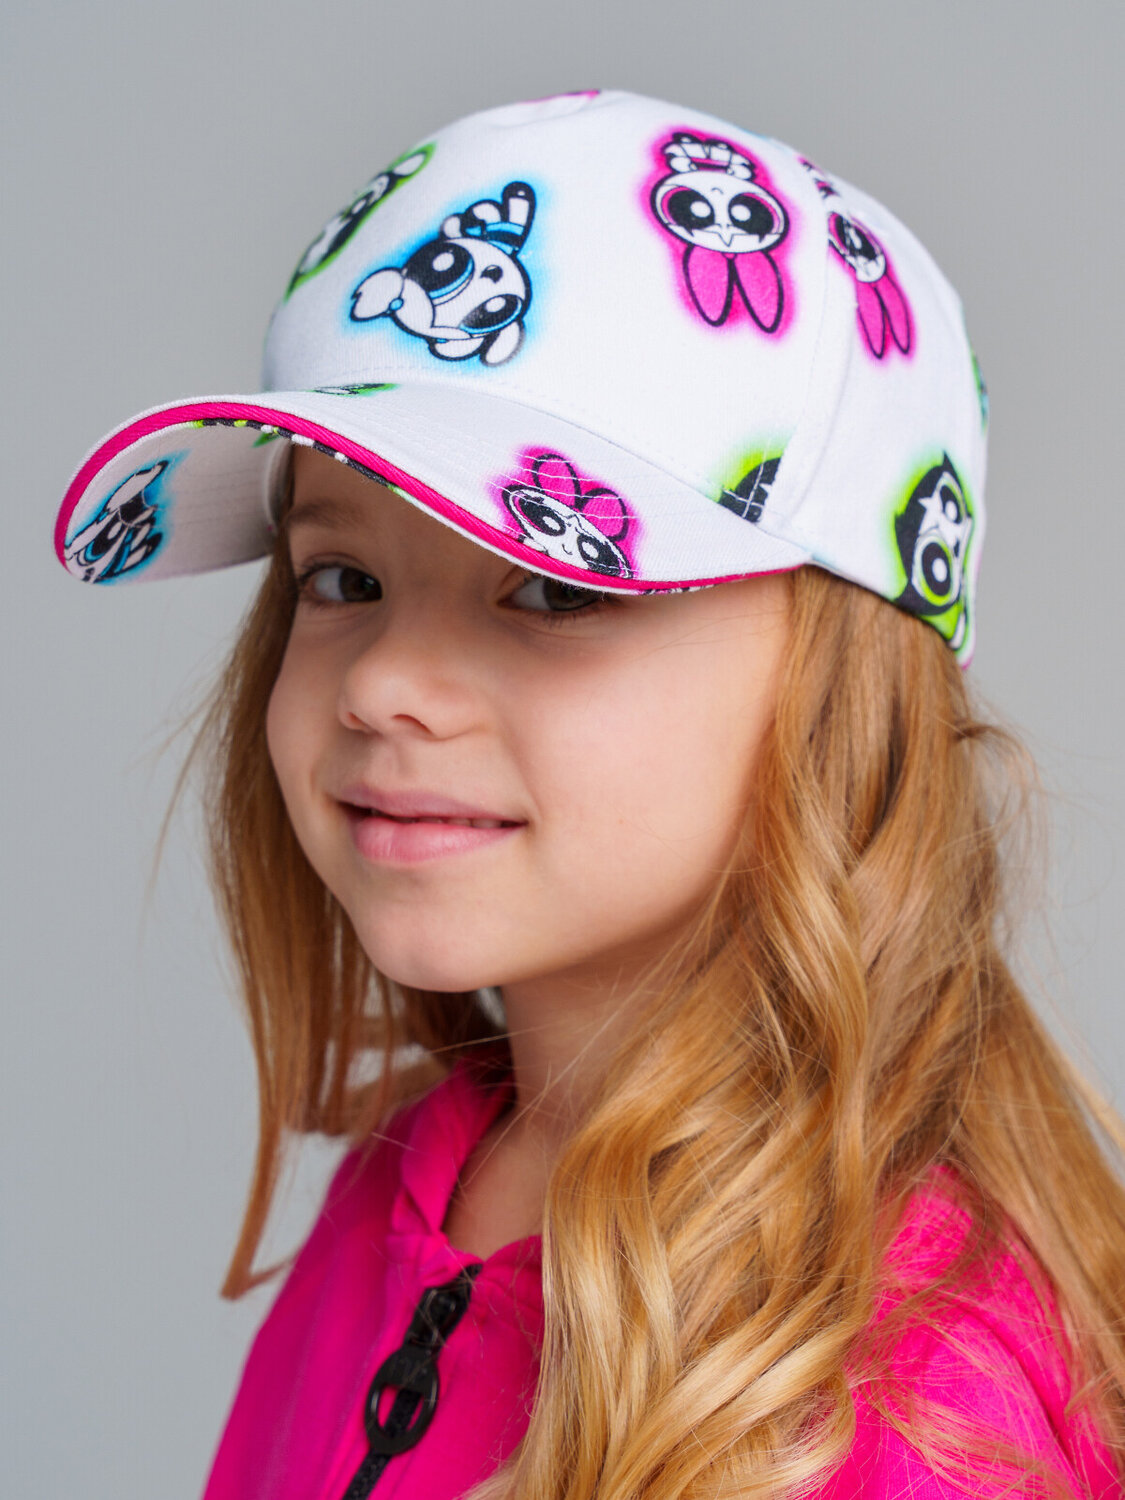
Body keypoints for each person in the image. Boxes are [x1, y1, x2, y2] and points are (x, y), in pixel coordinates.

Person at [53, 90, 1125, 1499]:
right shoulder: (414, 1185)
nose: (384, 683)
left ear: (839, 690)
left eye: (555, 588)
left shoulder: (903, 1406)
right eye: (343, 578)